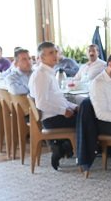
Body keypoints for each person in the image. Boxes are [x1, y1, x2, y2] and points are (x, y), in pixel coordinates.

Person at [28, 42, 77, 170]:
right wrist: (64, 111)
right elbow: (41, 103)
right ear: (42, 57)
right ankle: (69, 150)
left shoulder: (49, 72)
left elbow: (58, 98)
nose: (55, 55)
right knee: (89, 119)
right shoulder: (41, 75)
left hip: (57, 115)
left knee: (86, 112)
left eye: (55, 52)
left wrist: (73, 106)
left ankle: (64, 147)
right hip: (52, 119)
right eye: (51, 53)